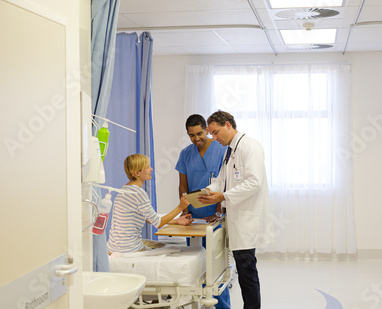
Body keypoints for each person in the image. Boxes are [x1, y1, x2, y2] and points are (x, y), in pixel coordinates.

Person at [198, 110, 271, 309]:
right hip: (234, 218)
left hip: (246, 219)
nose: (214, 137)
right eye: (211, 133)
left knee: (247, 272)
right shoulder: (230, 151)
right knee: (242, 269)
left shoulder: (250, 146)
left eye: (215, 132)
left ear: (228, 125)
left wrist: (224, 196)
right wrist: (207, 191)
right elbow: (221, 180)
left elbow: (254, 182)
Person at [175, 114, 231, 309]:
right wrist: (183, 211)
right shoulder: (185, 154)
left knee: (217, 267)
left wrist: (217, 212)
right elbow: (183, 185)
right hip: (194, 217)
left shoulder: (222, 149)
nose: (196, 139)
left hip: (215, 216)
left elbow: (224, 183)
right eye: (191, 135)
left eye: (199, 133)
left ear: (206, 129)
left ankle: (222, 306)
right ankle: (198, 304)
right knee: (197, 264)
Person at [107, 154, 193, 253]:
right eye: (147, 167)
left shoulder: (124, 189)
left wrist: (176, 221)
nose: (151, 169)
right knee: (171, 249)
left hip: (114, 246)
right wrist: (180, 207)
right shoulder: (138, 193)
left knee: (159, 245)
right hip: (128, 249)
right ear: (137, 173)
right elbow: (158, 223)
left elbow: (148, 219)